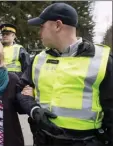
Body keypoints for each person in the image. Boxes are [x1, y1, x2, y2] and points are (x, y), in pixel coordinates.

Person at [17, 2, 113, 146]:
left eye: (42, 27)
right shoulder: (38, 59)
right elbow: (20, 92)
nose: (39, 33)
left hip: (86, 141)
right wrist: (34, 109)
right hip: (44, 139)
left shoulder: (102, 60)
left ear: (57, 25)